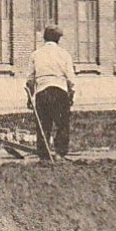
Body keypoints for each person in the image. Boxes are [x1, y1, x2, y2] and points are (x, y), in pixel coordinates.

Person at [26, 26, 77, 161]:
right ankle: (60, 153)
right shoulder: (64, 54)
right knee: (62, 124)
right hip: (60, 92)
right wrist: (71, 94)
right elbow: (71, 80)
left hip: (42, 92)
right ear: (58, 39)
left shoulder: (36, 54)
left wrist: (30, 97)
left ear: (44, 38)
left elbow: (30, 80)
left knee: (43, 125)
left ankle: (44, 156)